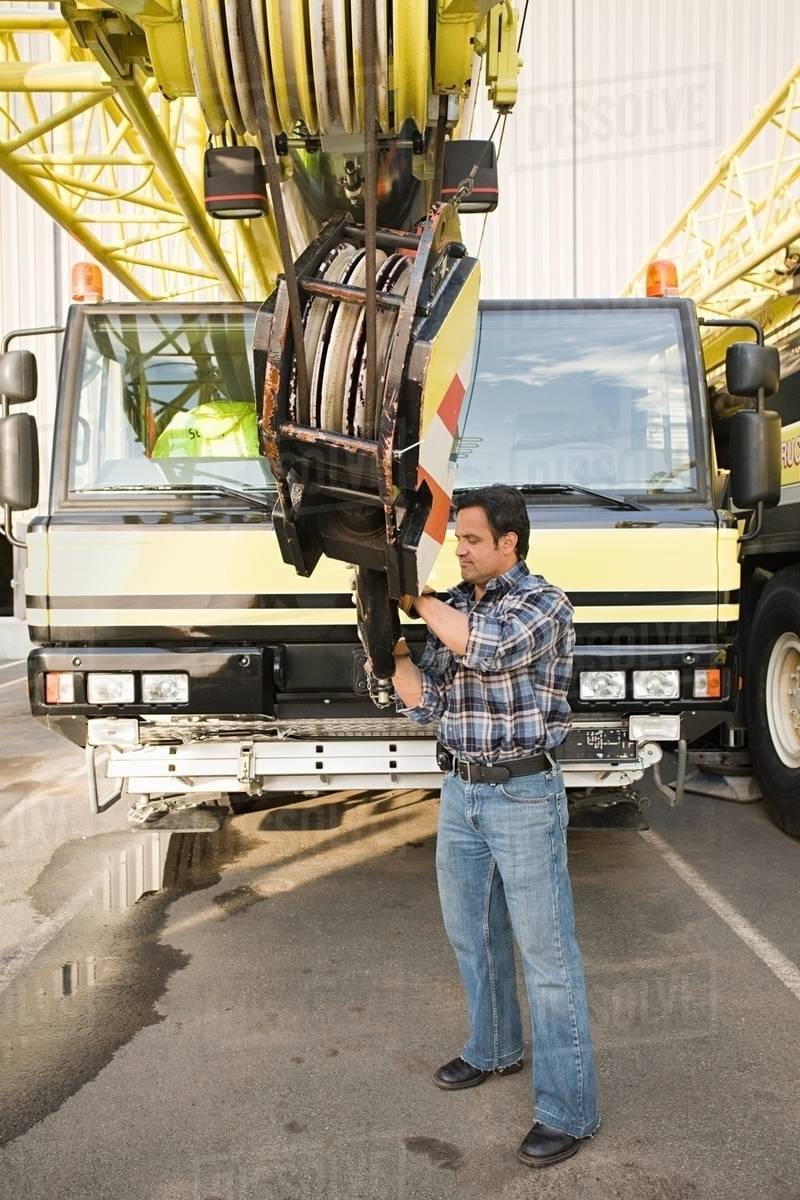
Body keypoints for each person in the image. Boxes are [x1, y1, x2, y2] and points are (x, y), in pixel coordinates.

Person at [392, 484, 599, 1169]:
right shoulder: (454, 605)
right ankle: (493, 1049)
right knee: (473, 936)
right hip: (462, 792)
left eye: (473, 539)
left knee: (548, 959)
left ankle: (568, 1112)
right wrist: (391, 650)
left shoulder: (543, 605)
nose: (461, 549)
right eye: (459, 539)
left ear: (510, 542)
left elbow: (490, 650)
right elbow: (430, 706)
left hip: (523, 795)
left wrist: (415, 599)